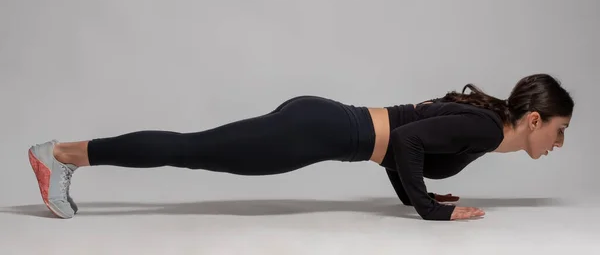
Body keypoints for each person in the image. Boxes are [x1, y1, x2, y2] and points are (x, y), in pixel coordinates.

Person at [27, 73, 574, 221]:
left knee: (194, 149)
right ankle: (64, 155)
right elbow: (405, 141)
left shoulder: (486, 125)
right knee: (190, 149)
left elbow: (399, 149)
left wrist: (417, 198)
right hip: (317, 131)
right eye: (558, 129)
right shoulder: (484, 130)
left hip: (322, 123)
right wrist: (429, 210)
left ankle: (65, 155)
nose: (559, 142)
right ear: (534, 119)